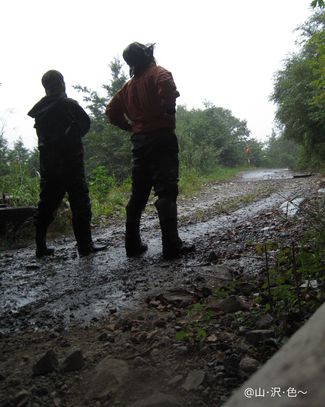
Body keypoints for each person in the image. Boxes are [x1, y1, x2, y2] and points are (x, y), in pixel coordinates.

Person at [105, 42, 194, 259]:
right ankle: (171, 246)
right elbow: (167, 86)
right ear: (146, 55)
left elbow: (110, 112)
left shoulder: (127, 87)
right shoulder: (158, 73)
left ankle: (132, 246)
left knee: (138, 194)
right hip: (162, 138)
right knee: (166, 190)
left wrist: (129, 126)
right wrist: (168, 108)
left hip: (139, 142)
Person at [28, 70, 107, 257]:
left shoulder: (39, 111)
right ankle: (85, 246)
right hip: (71, 163)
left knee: (46, 204)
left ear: (45, 87)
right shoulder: (69, 105)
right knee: (80, 203)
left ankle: (40, 246)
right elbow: (85, 125)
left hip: (49, 166)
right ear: (62, 83)